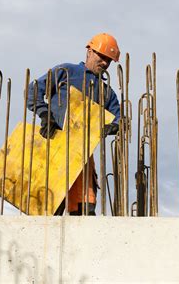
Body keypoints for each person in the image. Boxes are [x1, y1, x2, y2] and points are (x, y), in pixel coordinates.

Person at [27, 33, 121, 215]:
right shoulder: (66, 71)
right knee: (47, 211)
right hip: (54, 150)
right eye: (101, 56)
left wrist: (114, 126)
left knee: (84, 212)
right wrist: (45, 114)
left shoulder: (107, 93)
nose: (104, 63)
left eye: (109, 60)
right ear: (89, 51)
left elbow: (120, 119)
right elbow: (33, 90)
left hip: (82, 157)